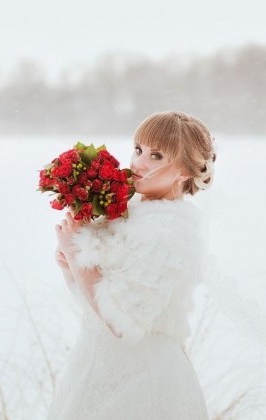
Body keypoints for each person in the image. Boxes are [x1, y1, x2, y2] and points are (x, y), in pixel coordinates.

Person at [47, 111, 216, 419]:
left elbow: (125, 319)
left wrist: (78, 259)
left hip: (142, 381)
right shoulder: (131, 211)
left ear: (184, 171)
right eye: (138, 150)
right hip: (98, 364)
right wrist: (72, 266)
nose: (138, 163)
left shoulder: (170, 230)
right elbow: (94, 305)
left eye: (156, 155)